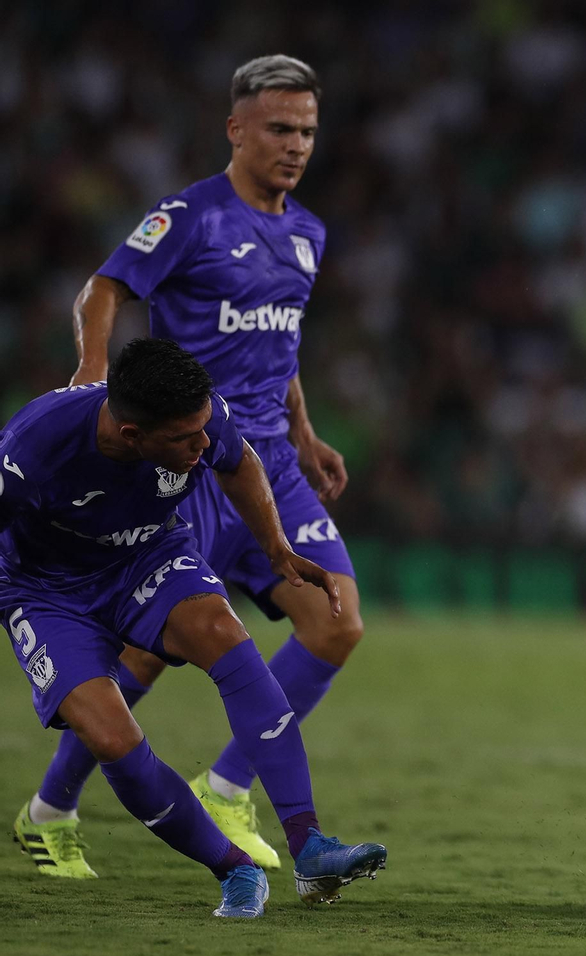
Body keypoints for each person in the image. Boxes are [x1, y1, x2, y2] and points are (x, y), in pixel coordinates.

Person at [14, 54, 361, 876]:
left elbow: (282, 346)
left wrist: (303, 434)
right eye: (280, 128)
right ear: (236, 129)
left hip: (268, 458)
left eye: (308, 130)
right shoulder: (189, 218)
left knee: (337, 619)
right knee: (149, 652)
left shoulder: (308, 232)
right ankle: (50, 808)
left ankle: (228, 782)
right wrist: (94, 372)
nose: (296, 145)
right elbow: (102, 289)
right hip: (190, 460)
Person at [1, 339, 385, 917]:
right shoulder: (33, 450)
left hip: (147, 557)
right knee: (109, 737)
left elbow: (240, 461)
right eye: (186, 439)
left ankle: (310, 848)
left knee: (223, 633)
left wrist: (277, 550)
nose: (202, 444)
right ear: (133, 435)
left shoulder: (199, 417)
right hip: (47, 591)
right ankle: (234, 869)